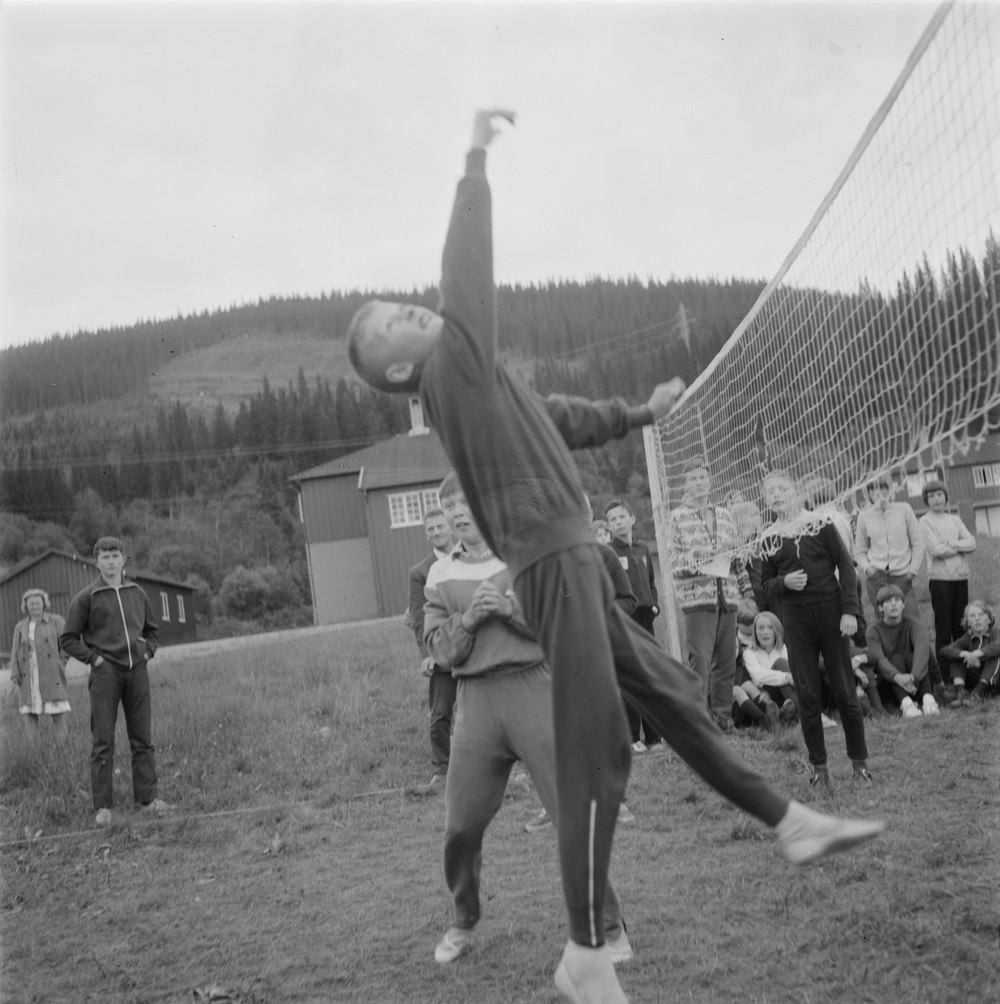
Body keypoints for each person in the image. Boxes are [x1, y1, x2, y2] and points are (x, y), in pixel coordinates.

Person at [347, 109, 884, 1004]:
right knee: (601, 752)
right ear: (400, 371)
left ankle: (788, 819)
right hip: (553, 565)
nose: (420, 311)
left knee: (673, 694)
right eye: (399, 321)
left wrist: (639, 414)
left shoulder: (482, 384)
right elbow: (464, 278)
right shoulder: (452, 369)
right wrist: (474, 159)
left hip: (577, 559)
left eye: (408, 306)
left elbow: (561, 416)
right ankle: (585, 952)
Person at [423, 475, 633, 965]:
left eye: (465, 503)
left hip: (535, 689)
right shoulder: (439, 576)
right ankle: (464, 918)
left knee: (571, 814)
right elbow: (438, 648)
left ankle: (609, 925)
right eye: (448, 506)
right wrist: (469, 620)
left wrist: (509, 608)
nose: (456, 513)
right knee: (460, 824)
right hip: (475, 701)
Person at [759, 471, 871, 791]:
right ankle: (819, 768)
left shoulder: (819, 523)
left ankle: (859, 763)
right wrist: (784, 583)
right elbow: (765, 584)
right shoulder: (768, 536)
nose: (777, 494)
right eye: (771, 491)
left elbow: (846, 568)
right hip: (796, 621)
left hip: (831, 613)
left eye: (783, 488)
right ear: (766, 499)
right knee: (808, 695)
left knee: (844, 692)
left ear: (795, 491)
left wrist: (849, 611)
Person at [61, 537, 173, 827]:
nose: (110, 561)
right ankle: (103, 807)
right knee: (103, 741)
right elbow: (68, 639)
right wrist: (95, 660)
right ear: (96, 561)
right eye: (104, 556)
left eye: (115, 556)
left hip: (136, 672)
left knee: (142, 738)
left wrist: (146, 653)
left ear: (124, 559)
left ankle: (147, 800)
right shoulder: (87, 597)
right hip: (105, 675)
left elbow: (152, 630)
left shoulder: (137, 592)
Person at [666, 458, 746, 732]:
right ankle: (698, 722)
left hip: (727, 596)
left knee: (727, 659)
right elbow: (674, 561)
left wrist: (737, 558)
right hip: (698, 599)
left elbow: (739, 558)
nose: (699, 482)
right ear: (685, 484)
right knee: (699, 661)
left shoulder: (724, 515)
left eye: (703, 477)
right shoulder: (677, 517)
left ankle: (723, 718)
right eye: (693, 479)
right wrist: (700, 556)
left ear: (710, 481)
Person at [605, 498, 665, 750]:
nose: (618, 523)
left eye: (621, 517)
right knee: (630, 680)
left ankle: (654, 737)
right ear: (608, 526)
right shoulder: (608, 553)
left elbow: (651, 583)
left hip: (645, 620)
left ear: (632, 519)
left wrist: (655, 606)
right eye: (612, 520)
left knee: (650, 677)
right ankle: (632, 738)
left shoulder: (642, 549)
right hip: (624, 621)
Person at [407, 507, 458, 784]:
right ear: (427, 535)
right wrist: (427, 654)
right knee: (440, 714)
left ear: (450, 527)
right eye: (431, 529)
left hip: (475, 646)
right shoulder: (419, 572)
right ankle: (442, 768)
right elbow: (418, 616)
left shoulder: (469, 558)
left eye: (440, 526)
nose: (437, 532)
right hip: (441, 649)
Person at [917, 480, 977, 667]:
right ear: (927, 499)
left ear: (945, 496)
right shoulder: (925, 521)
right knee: (944, 630)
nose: (936, 499)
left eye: (939, 494)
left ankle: (962, 671)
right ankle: (945, 675)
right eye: (932, 495)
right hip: (940, 579)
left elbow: (972, 544)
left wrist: (952, 544)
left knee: (961, 627)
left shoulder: (955, 520)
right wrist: (960, 547)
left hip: (960, 577)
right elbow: (936, 550)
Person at [854, 475, 925, 622]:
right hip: (876, 578)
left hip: (902, 577)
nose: (878, 493)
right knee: (885, 623)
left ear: (890, 489)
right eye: (873, 489)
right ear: (868, 494)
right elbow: (860, 551)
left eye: (883, 487)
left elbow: (918, 544)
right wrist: (868, 569)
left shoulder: (904, 509)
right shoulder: (864, 516)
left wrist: (911, 573)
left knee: (912, 621)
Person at [865, 584, 940, 718]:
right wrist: (897, 677)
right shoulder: (873, 631)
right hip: (891, 685)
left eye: (897, 600)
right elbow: (879, 660)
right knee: (896, 659)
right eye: (888, 601)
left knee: (913, 656)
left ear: (903, 605)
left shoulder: (913, 623)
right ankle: (907, 706)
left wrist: (914, 677)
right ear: (881, 608)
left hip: (916, 682)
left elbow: (923, 650)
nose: (894, 604)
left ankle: (929, 701)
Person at [9, 588, 71, 747]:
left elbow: (67, 644)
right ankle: (33, 753)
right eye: (31, 604)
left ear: (44, 604)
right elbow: (15, 651)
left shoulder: (56, 621)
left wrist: (60, 663)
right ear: (26, 606)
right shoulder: (20, 626)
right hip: (28, 674)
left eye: (38, 603)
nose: (35, 606)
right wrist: (15, 672)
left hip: (51, 674)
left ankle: (62, 751)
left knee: (57, 713)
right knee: (30, 715)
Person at [741, 612, 799, 724]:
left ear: (776, 631)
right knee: (781, 663)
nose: (765, 633)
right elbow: (758, 676)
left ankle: (788, 715)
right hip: (768, 697)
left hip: (789, 692)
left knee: (782, 663)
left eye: (770, 628)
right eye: (761, 628)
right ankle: (802, 715)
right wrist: (786, 676)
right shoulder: (749, 653)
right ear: (755, 632)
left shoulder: (784, 649)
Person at [939, 601, 1000, 703]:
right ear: (968, 623)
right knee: (957, 656)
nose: (977, 618)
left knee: (996, 655)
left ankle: (977, 694)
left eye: (981, 614)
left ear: (989, 619)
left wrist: (978, 654)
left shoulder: (995, 633)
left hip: (995, 680)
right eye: (972, 616)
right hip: (975, 678)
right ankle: (960, 694)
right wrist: (965, 655)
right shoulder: (967, 638)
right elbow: (944, 651)